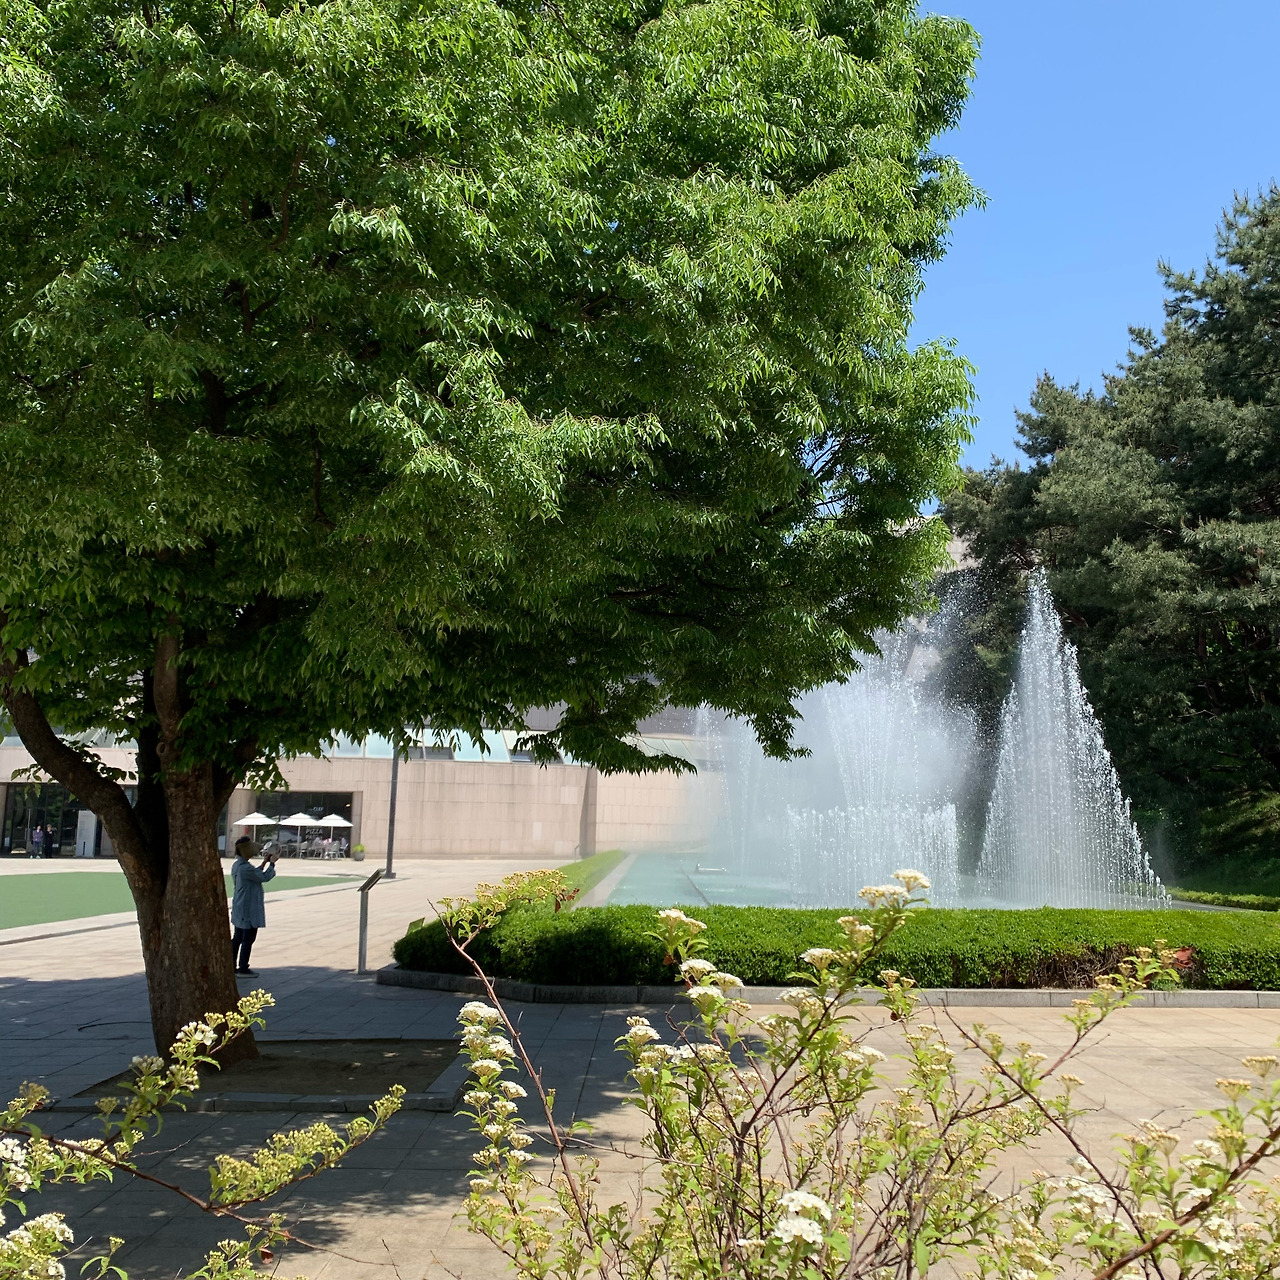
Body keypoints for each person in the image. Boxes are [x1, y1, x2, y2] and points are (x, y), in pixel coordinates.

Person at [230, 835, 278, 976]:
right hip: (248, 907)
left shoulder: (238, 865)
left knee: (238, 937)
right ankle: (243, 967)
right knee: (248, 938)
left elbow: (254, 874)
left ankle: (232, 965)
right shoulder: (245, 868)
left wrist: (264, 863)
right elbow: (263, 877)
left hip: (240, 905)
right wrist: (272, 864)